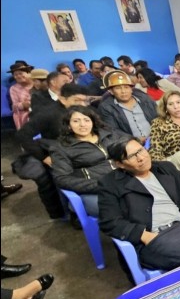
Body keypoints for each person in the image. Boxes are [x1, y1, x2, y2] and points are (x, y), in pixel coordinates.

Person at [98, 136, 180, 271]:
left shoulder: (164, 168)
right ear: (120, 164)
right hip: (157, 236)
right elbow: (109, 221)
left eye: (141, 150)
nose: (141, 157)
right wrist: (143, 235)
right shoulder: (110, 184)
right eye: (132, 156)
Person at [15, 83, 90, 219]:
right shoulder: (48, 113)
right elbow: (22, 135)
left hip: (80, 151)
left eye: (84, 100)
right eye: (76, 100)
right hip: (56, 153)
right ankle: (68, 214)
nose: (82, 104)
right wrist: (43, 157)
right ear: (62, 99)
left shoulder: (84, 110)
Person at [50, 106, 124, 216]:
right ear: (69, 125)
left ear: (93, 122)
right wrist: (100, 185)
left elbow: (129, 141)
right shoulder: (62, 148)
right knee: (120, 209)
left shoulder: (107, 134)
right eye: (76, 121)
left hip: (123, 180)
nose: (82, 125)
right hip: (94, 190)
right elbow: (61, 179)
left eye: (86, 120)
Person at [97, 70, 157, 142]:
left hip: (156, 138)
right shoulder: (106, 107)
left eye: (126, 87)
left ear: (131, 89)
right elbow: (113, 130)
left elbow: (159, 116)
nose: (123, 91)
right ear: (111, 91)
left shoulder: (145, 98)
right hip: (131, 144)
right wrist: (135, 140)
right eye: (118, 88)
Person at [7, 62, 34, 129]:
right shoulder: (13, 88)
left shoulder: (37, 84)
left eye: (20, 73)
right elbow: (14, 106)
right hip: (24, 115)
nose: (18, 76)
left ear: (29, 73)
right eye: (15, 75)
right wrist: (23, 105)